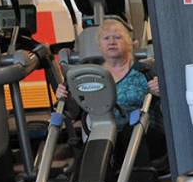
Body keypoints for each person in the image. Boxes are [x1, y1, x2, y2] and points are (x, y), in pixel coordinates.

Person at [55, 16, 164, 165]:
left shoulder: (145, 72)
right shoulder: (92, 75)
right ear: (100, 45)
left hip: (141, 135)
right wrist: (64, 95)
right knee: (90, 152)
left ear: (129, 43)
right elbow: (74, 112)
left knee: (129, 133)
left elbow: (167, 109)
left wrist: (161, 92)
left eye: (117, 37)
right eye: (106, 38)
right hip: (104, 134)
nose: (112, 42)